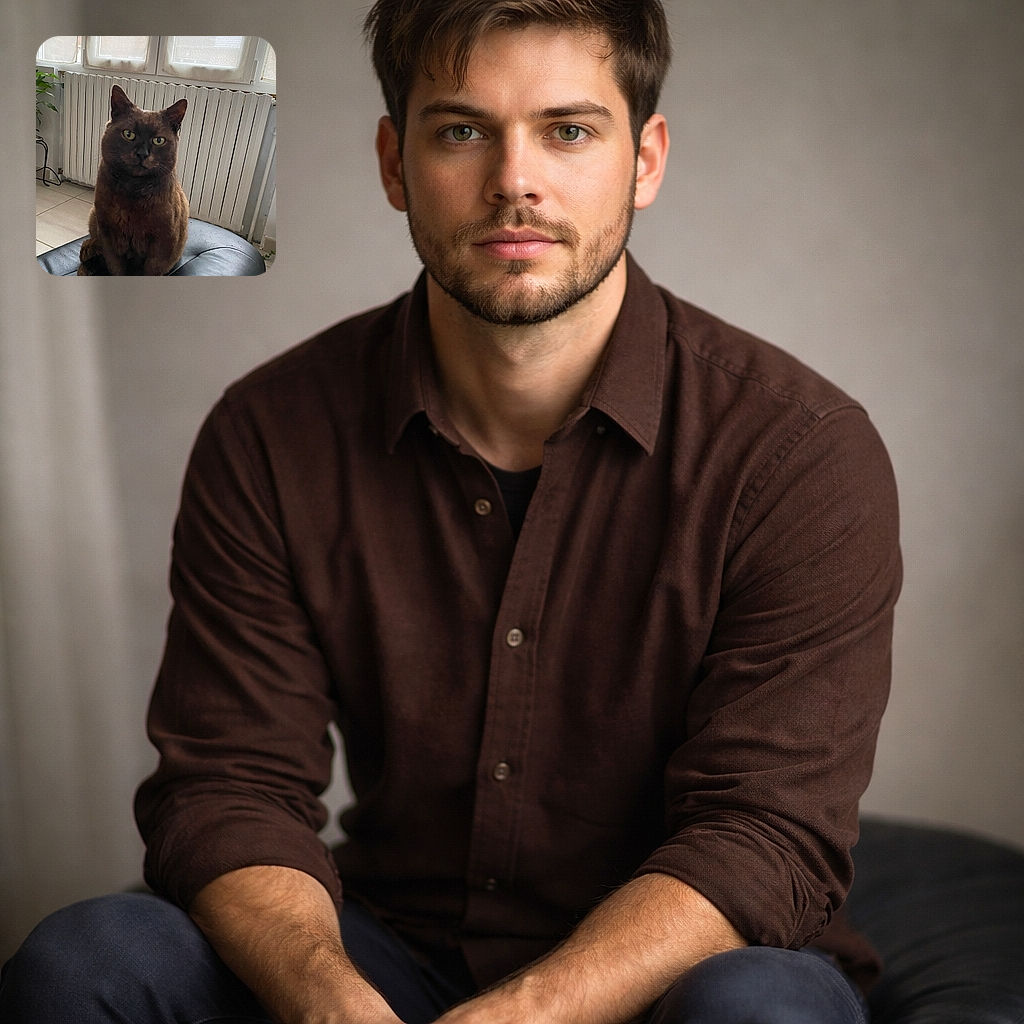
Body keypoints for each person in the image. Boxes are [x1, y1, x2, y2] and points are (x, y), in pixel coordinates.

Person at [0, 2, 901, 1022]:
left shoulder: (799, 451)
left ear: (644, 159)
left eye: (568, 130)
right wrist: (329, 997)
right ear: (394, 163)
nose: (514, 179)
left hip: (678, 977)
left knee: (757, 1013)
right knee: (87, 960)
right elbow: (228, 786)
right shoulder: (270, 433)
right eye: (462, 130)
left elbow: (765, 832)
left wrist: (521, 1014)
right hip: (388, 957)